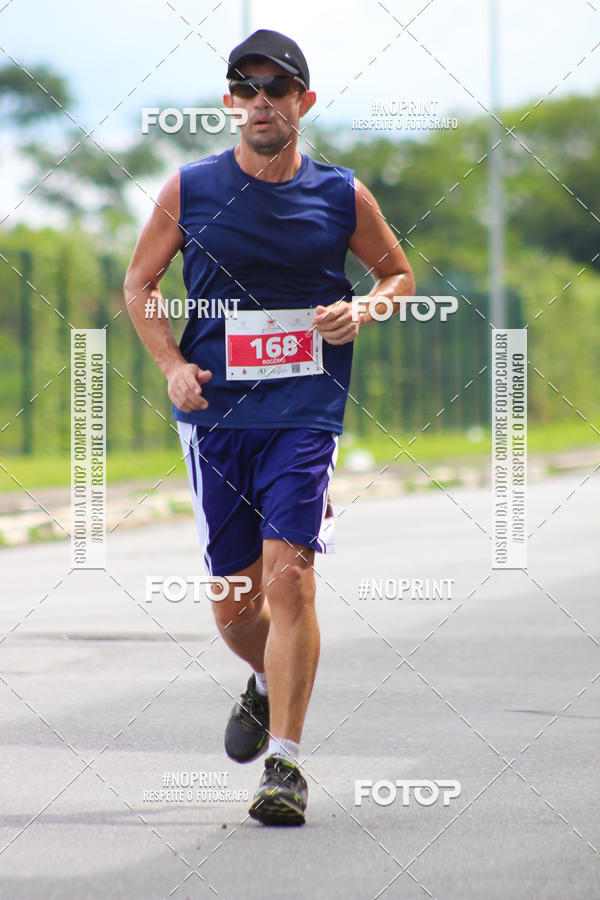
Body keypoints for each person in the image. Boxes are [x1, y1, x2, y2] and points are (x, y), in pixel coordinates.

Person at [124, 28, 415, 826]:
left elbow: (397, 273)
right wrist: (171, 364)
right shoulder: (190, 189)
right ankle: (264, 678)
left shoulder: (342, 194)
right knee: (233, 608)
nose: (260, 102)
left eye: (276, 89)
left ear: (303, 102)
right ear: (231, 102)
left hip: (304, 412)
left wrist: (364, 308)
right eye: (245, 89)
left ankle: (284, 764)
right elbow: (140, 282)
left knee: (291, 577)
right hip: (216, 417)